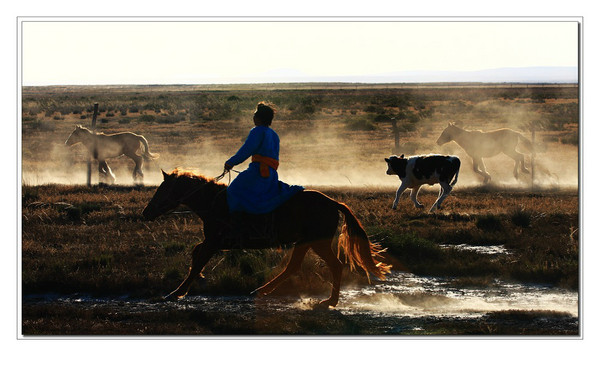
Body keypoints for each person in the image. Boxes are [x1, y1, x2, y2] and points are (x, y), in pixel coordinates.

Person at [223, 102, 304, 214]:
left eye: (255, 115)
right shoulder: (274, 135)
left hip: (258, 173)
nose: (253, 117)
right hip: (271, 175)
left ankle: (240, 223)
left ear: (259, 118)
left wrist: (230, 162)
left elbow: (246, 150)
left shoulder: (257, 131)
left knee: (233, 190)